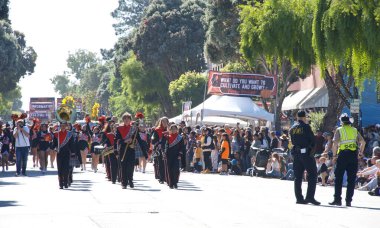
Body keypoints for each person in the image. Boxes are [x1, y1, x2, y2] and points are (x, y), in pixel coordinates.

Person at [329, 113, 366, 206]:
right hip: (353, 156)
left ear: (342, 122)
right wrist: (360, 153)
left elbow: (335, 144)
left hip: (343, 155)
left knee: (339, 178)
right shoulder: (354, 130)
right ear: (349, 122)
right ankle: (348, 200)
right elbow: (363, 142)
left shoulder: (339, 130)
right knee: (351, 179)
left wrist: (334, 156)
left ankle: (337, 199)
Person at [289, 110, 320, 205]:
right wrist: (312, 152)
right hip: (306, 154)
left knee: (298, 177)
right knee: (313, 175)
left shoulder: (292, 128)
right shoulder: (306, 127)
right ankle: (310, 197)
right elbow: (313, 140)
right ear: (304, 117)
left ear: (297, 117)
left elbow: (291, 142)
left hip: (296, 154)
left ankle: (299, 198)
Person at [116, 112, 144, 189]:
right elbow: (117, 140)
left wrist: (145, 151)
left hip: (131, 149)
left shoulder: (134, 128)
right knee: (123, 167)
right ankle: (124, 183)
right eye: (125, 119)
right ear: (123, 120)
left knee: (130, 166)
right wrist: (124, 141)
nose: (126, 120)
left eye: (128, 118)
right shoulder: (119, 128)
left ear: (130, 120)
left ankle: (130, 180)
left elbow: (139, 139)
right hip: (123, 149)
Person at [54, 122, 76, 189]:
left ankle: (66, 183)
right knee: (60, 168)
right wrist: (54, 147)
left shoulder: (69, 134)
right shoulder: (56, 134)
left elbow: (72, 144)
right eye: (61, 126)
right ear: (60, 126)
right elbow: (54, 144)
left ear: (66, 126)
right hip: (59, 153)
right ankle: (61, 184)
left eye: (64, 126)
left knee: (66, 169)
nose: (63, 127)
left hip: (67, 153)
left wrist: (73, 152)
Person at [163, 124, 184, 189]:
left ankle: (175, 182)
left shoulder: (180, 137)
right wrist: (165, 153)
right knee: (169, 169)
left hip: (176, 155)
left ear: (177, 130)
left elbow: (182, 147)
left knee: (176, 169)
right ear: (170, 130)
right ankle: (170, 183)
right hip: (169, 155)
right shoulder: (168, 137)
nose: (173, 130)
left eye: (175, 129)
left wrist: (180, 154)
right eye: (172, 129)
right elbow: (166, 146)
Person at [151, 117, 169, 184]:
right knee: (161, 164)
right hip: (160, 149)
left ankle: (167, 177)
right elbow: (153, 140)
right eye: (163, 122)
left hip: (168, 148)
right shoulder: (157, 130)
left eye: (166, 122)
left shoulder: (170, 129)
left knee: (167, 164)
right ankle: (161, 178)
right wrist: (159, 143)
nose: (164, 123)